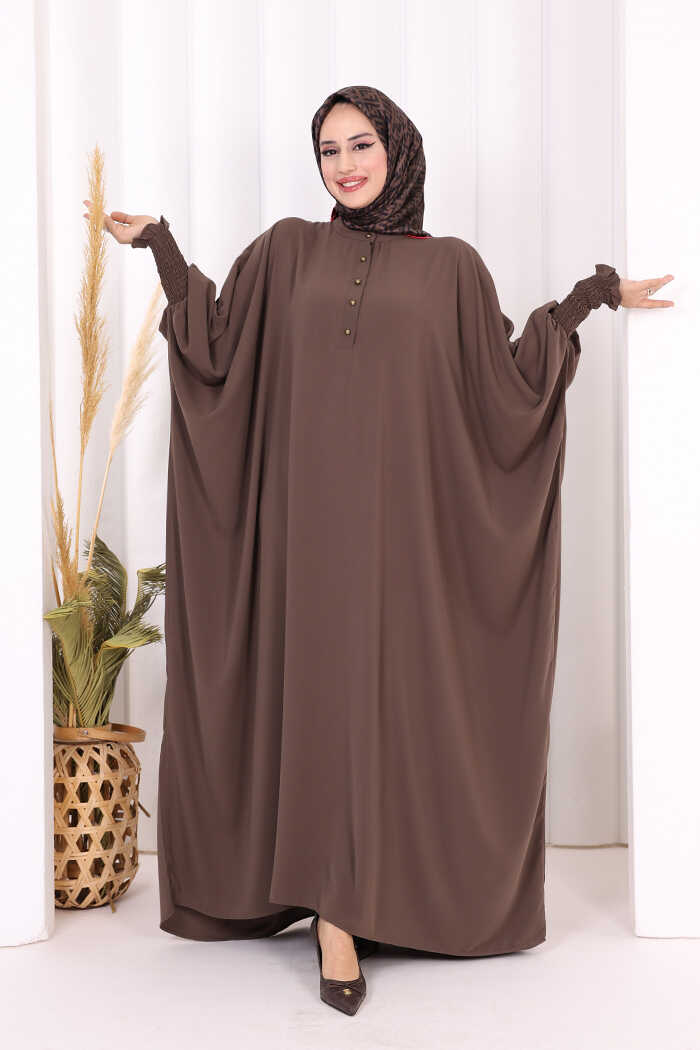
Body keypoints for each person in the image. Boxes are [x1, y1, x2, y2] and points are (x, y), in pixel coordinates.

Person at [84, 84, 673, 1018]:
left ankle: (377, 895)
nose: (346, 164)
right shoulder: (286, 250)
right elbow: (218, 346)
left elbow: (505, 383)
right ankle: (334, 915)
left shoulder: (452, 270)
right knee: (322, 706)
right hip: (301, 540)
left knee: (386, 712)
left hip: (406, 544)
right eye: (329, 150)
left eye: (362, 144)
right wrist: (161, 245)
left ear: (398, 149)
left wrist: (588, 298)